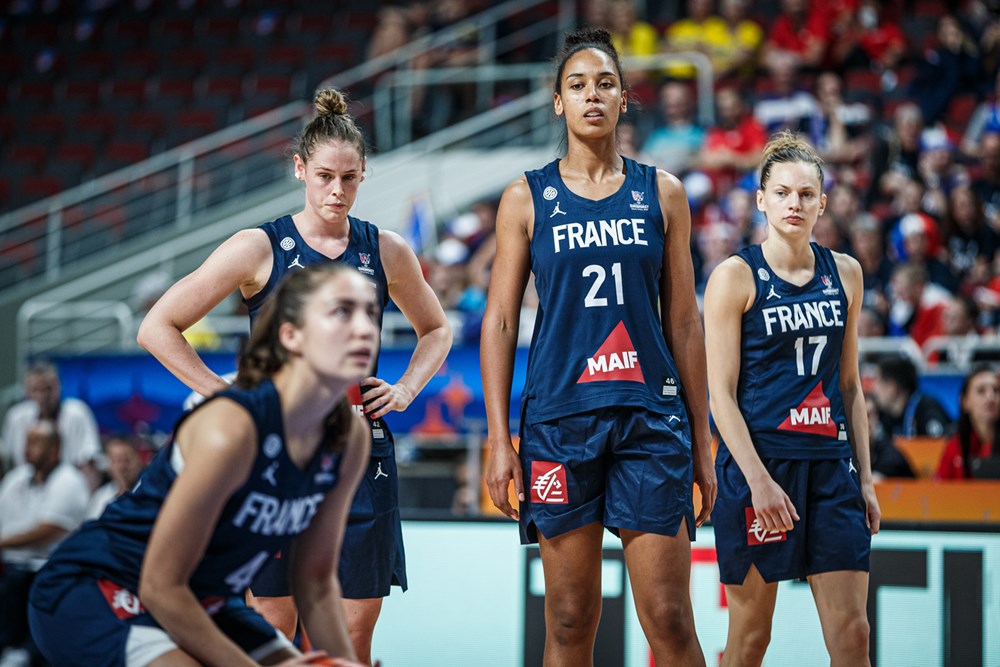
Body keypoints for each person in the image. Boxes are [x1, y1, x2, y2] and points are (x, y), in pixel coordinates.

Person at [136, 88, 453, 664]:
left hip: (360, 455)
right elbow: (158, 326)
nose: (337, 191)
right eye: (325, 175)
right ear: (300, 169)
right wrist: (221, 391)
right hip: (274, 460)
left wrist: (406, 388)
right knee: (271, 633)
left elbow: (437, 329)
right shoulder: (259, 246)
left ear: (364, 176)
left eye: (350, 178)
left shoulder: (385, 248)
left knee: (352, 638)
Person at [481, 28, 716, 666]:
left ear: (622, 99)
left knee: (669, 618)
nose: (592, 96)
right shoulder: (525, 196)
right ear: (558, 102)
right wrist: (501, 441)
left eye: (605, 84)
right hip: (559, 420)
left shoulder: (662, 191)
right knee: (568, 618)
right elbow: (500, 322)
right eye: (578, 85)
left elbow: (687, 322)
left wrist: (704, 437)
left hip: (649, 418)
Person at [29, 263, 378, 667]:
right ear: (291, 335)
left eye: (370, 312)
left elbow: (315, 583)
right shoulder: (231, 427)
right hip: (98, 586)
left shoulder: (349, 437)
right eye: (342, 312)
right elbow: (160, 586)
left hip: (200, 597)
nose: (365, 328)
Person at [704, 131, 880, 666]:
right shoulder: (734, 277)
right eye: (782, 192)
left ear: (822, 203)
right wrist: (758, 482)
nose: (794, 203)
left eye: (806, 194)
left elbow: (850, 387)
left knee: (852, 637)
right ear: (760, 199)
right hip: (762, 467)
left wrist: (866, 481)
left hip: (831, 469)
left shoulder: (845, 272)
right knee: (751, 640)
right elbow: (720, 396)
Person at [0, 420, 90, 666]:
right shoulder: (16, 478)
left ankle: (26, 652)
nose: (27, 448)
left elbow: (48, 529)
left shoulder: (70, 481)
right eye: (27, 441)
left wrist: (2, 543)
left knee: (22, 581)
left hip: (49, 566)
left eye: (35, 443)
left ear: (54, 449)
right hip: (11, 564)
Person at [0, 361, 102, 489]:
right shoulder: (17, 417)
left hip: (68, 489)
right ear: (26, 391)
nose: (42, 396)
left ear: (58, 386)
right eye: (35, 390)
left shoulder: (77, 413)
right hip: (27, 491)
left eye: (47, 389)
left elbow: (89, 463)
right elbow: (7, 462)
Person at [936, 363, 1000, 480]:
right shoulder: (955, 445)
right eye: (981, 391)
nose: (990, 397)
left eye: (996, 390)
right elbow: (939, 490)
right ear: (965, 401)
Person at [872, 356, 952, 440]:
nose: (874, 389)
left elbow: (940, 448)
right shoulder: (883, 415)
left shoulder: (926, 411)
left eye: (877, 381)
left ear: (892, 388)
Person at [86, 434, 147, 519]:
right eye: (117, 461)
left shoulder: (149, 492)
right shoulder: (101, 497)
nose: (122, 467)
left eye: (126, 460)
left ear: (138, 460)